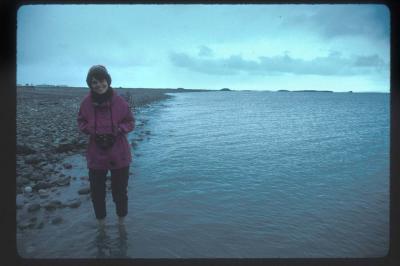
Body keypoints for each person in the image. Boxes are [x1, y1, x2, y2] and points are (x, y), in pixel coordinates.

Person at [77, 65, 135, 228]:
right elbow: (81, 121)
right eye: (94, 82)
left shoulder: (120, 102)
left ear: (107, 81)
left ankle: (121, 224)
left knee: (120, 193)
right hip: (96, 154)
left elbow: (130, 122)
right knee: (97, 193)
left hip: (119, 154)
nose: (99, 85)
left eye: (102, 81)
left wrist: (120, 129)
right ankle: (101, 226)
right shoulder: (86, 103)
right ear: (90, 84)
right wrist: (89, 129)